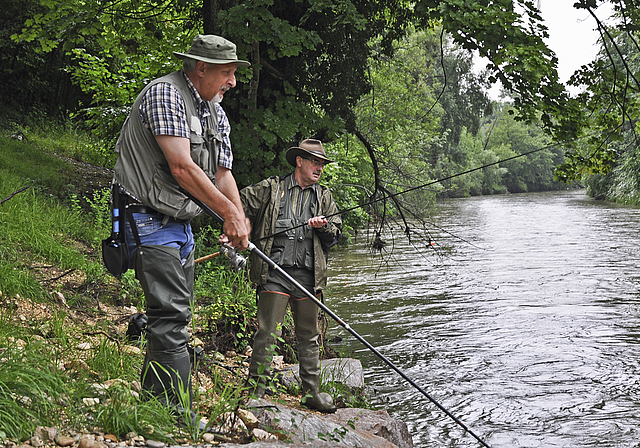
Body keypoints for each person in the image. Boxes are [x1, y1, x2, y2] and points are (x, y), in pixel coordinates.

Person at [111, 34, 250, 426]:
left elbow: (223, 173)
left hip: (181, 224)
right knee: (171, 317)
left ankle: (153, 410)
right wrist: (227, 213)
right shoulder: (165, 95)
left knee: (170, 318)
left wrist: (237, 216)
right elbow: (182, 167)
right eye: (227, 73)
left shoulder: (214, 112)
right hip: (145, 219)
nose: (233, 83)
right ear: (200, 68)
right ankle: (176, 417)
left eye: (235, 74)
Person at [240, 139, 342, 413]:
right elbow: (236, 202)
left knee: (308, 336)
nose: (319, 168)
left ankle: (312, 394)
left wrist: (323, 228)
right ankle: (257, 390)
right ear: (299, 161)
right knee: (267, 332)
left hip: (309, 278)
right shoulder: (271, 188)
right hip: (274, 273)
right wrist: (241, 226)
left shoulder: (325, 197)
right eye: (314, 162)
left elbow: (334, 237)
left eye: (322, 163)